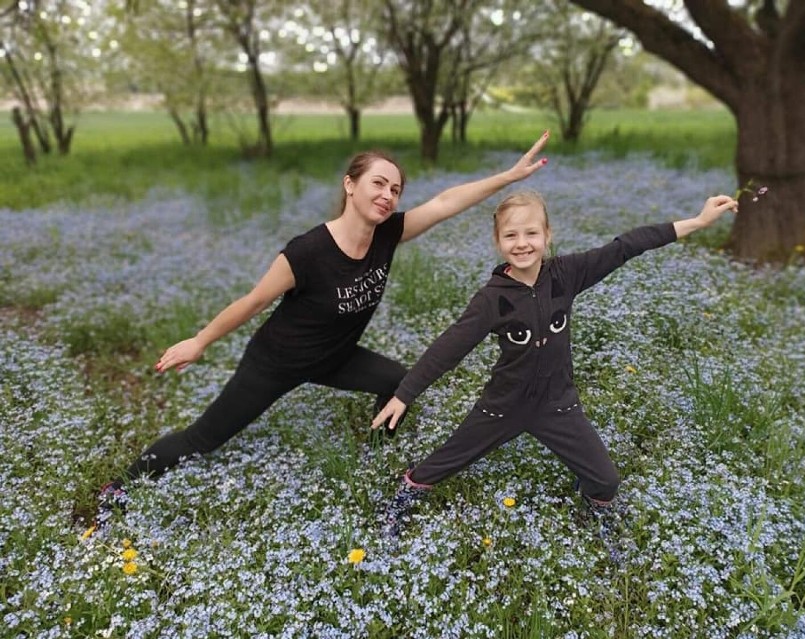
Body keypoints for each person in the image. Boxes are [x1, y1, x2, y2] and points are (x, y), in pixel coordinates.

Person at [91, 133, 551, 530]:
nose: (388, 194)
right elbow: (253, 302)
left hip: (335, 356)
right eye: (378, 183)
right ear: (349, 185)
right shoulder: (307, 252)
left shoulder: (388, 234)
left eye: (395, 188)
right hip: (275, 362)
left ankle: (373, 456)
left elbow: (446, 202)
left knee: (396, 381)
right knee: (203, 439)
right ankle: (119, 487)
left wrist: (507, 178)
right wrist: (200, 341)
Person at [371, 190, 739, 547]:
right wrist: (405, 394)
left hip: (558, 406)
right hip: (503, 406)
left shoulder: (566, 274)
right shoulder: (492, 299)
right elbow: (449, 347)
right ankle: (405, 494)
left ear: (547, 235)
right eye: (510, 235)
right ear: (498, 241)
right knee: (442, 462)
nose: (522, 243)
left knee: (606, 481)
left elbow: (626, 245)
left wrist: (698, 221)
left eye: (531, 232)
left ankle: (592, 504)